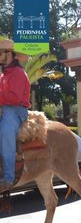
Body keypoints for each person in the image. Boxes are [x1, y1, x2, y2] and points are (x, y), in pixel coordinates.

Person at [0, 38, 31, 189]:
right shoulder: (4, 74)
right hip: (4, 107)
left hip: (16, 110)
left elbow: (13, 98)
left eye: (0, 53)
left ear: (9, 54)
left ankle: (8, 178)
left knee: (6, 131)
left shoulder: (18, 73)